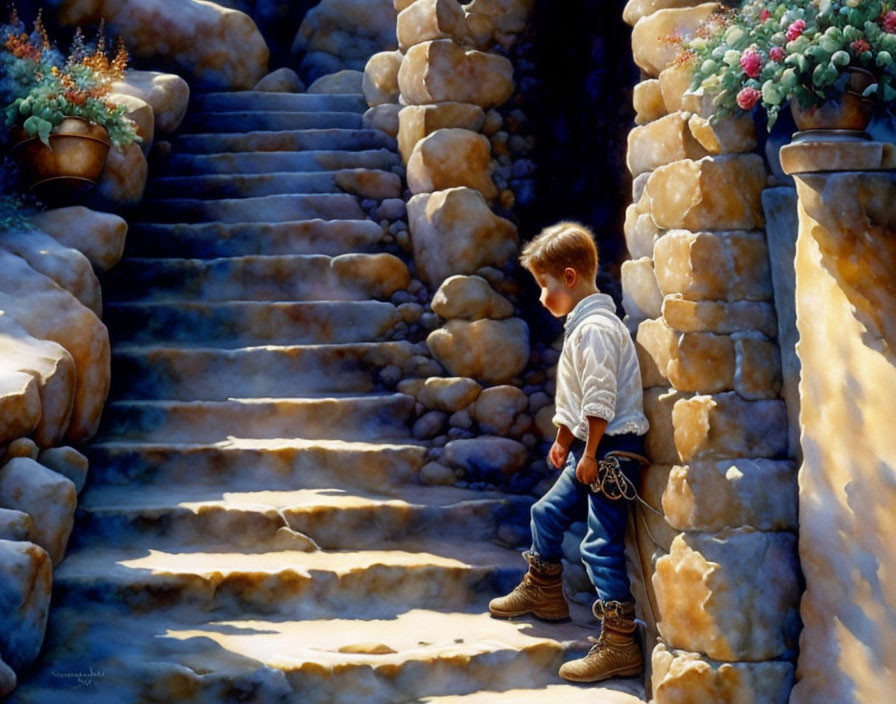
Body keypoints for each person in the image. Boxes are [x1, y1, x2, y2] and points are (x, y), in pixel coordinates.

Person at [488, 220, 650, 683]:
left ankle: (620, 644)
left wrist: (591, 452)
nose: (543, 298)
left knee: (599, 546)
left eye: (546, 286)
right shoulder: (583, 326)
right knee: (546, 513)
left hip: (611, 452)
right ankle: (544, 591)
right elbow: (577, 399)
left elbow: (599, 398)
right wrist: (564, 439)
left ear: (571, 277)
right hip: (588, 446)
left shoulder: (596, 329)